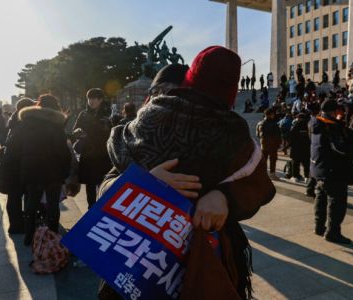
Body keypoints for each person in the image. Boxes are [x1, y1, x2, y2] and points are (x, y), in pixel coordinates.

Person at [100, 46, 276, 299]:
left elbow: (106, 181)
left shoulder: (144, 122)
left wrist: (223, 196)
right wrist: (145, 184)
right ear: (232, 91)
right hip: (207, 262)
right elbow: (261, 188)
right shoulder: (236, 135)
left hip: (136, 257)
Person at [7, 94, 71, 245]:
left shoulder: (25, 122)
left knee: (31, 202)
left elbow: (13, 146)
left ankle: (28, 237)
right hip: (52, 169)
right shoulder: (56, 125)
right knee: (52, 204)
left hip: (31, 168)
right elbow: (63, 151)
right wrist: (65, 172)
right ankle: (53, 235)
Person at [310, 99, 353, 244]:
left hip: (319, 168)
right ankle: (333, 232)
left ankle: (319, 226)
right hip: (333, 171)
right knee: (337, 203)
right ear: (334, 111)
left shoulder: (315, 123)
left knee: (321, 198)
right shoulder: (330, 127)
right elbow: (340, 149)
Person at [73, 88, 112, 209]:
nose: (91, 101)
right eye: (89, 98)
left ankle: (103, 208)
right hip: (88, 154)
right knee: (90, 185)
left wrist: (106, 128)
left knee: (103, 183)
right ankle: (91, 208)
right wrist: (78, 132)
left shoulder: (108, 113)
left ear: (100, 100)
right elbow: (75, 130)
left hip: (103, 154)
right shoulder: (83, 114)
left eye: (94, 98)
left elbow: (113, 133)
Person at [3, 98, 35, 234]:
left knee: (14, 197)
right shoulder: (26, 123)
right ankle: (23, 224)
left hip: (11, 165)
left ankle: (15, 225)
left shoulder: (13, 121)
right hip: (22, 165)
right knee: (27, 196)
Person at [257, 108, 281, 181]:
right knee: (273, 160)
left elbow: (257, 134)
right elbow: (278, 136)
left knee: (263, 160)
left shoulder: (259, 123)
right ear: (271, 114)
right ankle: (272, 174)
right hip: (273, 145)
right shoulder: (274, 124)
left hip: (263, 145)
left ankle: (262, 174)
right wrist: (279, 144)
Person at [289, 113, 310, 182]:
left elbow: (291, 135)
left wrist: (291, 144)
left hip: (296, 148)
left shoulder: (296, 125)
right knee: (306, 163)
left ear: (299, 118)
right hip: (306, 148)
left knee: (295, 163)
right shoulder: (309, 125)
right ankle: (306, 177)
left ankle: (295, 176)